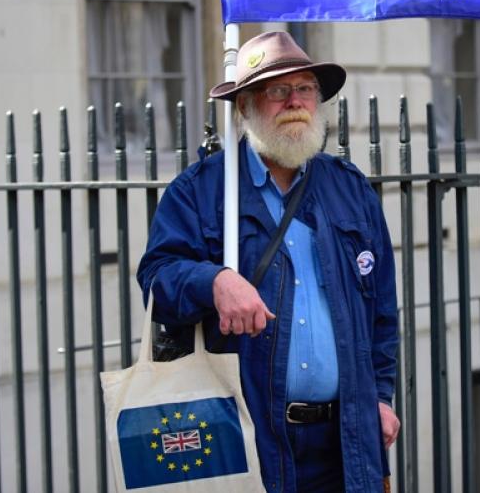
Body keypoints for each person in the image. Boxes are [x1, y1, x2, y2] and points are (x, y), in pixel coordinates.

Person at [138, 31, 400, 492]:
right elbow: (157, 281)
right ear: (245, 106)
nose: (295, 102)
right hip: (246, 435)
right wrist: (213, 281)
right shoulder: (201, 190)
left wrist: (378, 397)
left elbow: (381, 313)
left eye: (305, 90)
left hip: (346, 443)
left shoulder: (351, 189)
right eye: (278, 91)